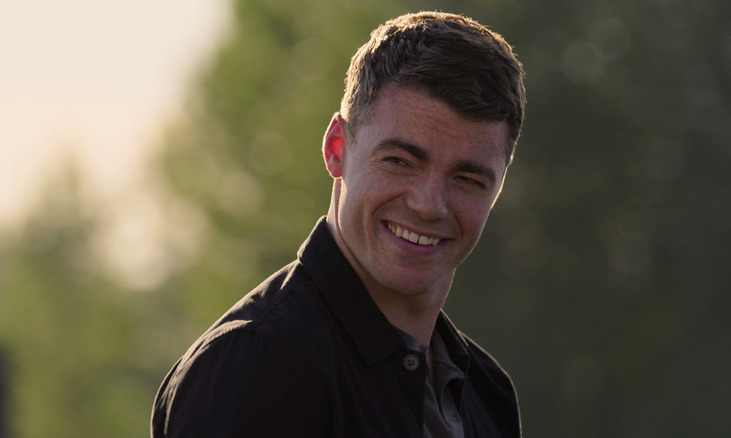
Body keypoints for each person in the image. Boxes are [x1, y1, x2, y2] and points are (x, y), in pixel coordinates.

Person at [151, 11, 526, 438]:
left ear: (497, 188)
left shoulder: (486, 392)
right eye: (400, 162)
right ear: (336, 148)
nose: (428, 205)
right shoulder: (258, 365)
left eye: (467, 179)